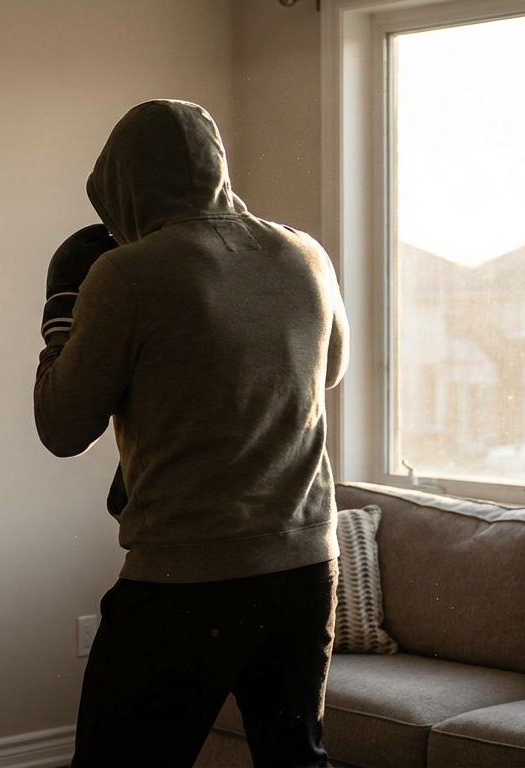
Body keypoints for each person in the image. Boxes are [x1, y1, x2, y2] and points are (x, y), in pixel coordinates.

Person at [33, 100, 350, 767]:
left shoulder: (125, 273)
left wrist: (60, 319)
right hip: (306, 568)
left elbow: (62, 428)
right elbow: (328, 372)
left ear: (119, 189)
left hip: (186, 577)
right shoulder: (304, 255)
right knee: (295, 761)